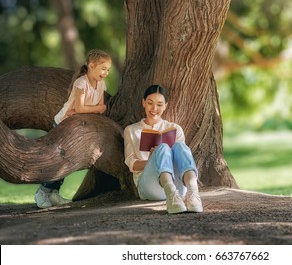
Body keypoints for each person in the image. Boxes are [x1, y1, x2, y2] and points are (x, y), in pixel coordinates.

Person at [34, 49, 112, 208]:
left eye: (108, 70)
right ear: (91, 66)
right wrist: (97, 108)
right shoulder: (81, 83)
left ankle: (54, 193)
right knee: (58, 159)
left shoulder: (101, 83)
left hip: (77, 126)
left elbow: (93, 107)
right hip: (64, 124)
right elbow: (83, 108)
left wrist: (96, 109)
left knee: (68, 161)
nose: (106, 73)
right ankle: (42, 192)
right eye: (103, 69)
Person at [124, 85, 203, 214]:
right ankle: (171, 196)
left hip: (179, 185)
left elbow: (183, 158)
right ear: (143, 103)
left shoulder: (174, 128)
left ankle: (193, 193)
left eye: (159, 104)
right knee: (163, 148)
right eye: (150, 103)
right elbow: (131, 165)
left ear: (165, 106)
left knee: (180, 146)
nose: (154, 109)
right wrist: (150, 161)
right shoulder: (131, 130)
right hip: (149, 186)